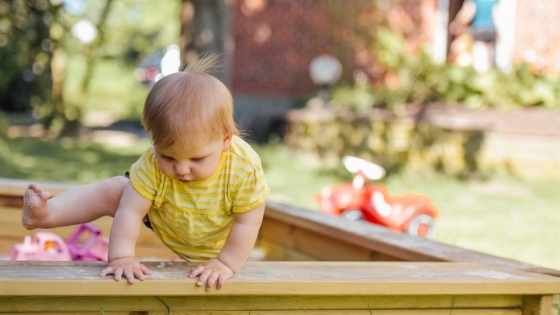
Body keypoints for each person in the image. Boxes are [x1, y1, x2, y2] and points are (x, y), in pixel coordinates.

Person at [21, 53, 271, 291]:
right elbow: (130, 211)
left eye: (197, 158)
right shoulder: (151, 163)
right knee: (117, 190)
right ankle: (46, 214)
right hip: (169, 216)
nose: (181, 169)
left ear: (226, 140)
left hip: (218, 237)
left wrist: (226, 263)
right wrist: (121, 257)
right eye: (168, 156)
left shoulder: (242, 167)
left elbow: (249, 221)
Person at [449, 0, 500, 72]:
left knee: (479, 61)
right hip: (492, 30)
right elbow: (497, 13)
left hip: (479, 28)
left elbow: (468, 12)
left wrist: (457, 23)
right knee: (489, 61)